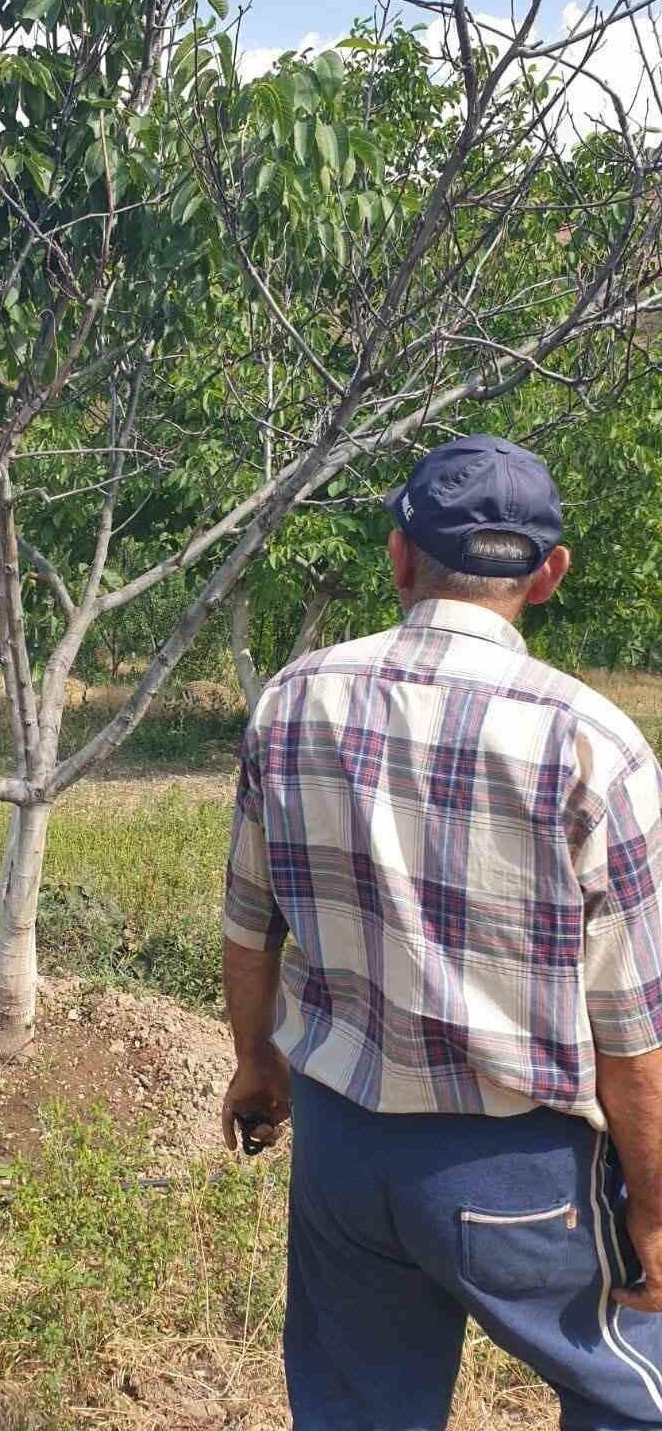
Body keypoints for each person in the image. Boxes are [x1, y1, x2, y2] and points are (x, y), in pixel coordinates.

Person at [221, 433, 662, 1430]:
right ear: (549, 574)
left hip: (342, 1147)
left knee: (357, 1410)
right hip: (517, 1170)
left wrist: (256, 1065)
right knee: (637, 1399)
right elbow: (634, 1036)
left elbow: (251, 927)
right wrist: (655, 1209)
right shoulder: (593, 744)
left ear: (399, 558)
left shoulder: (293, 700)